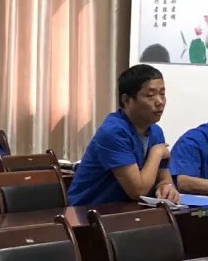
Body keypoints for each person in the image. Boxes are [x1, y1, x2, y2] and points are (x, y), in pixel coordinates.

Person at [68, 64, 180, 206]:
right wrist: (156, 153)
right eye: (150, 95)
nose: (160, 102)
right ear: (127, 100)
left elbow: (163, 177)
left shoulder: (156, 132)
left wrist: (167, 187)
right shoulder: (113, 132)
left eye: (162, 94)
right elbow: (138, 191)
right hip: (89, 211)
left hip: (129, 211)